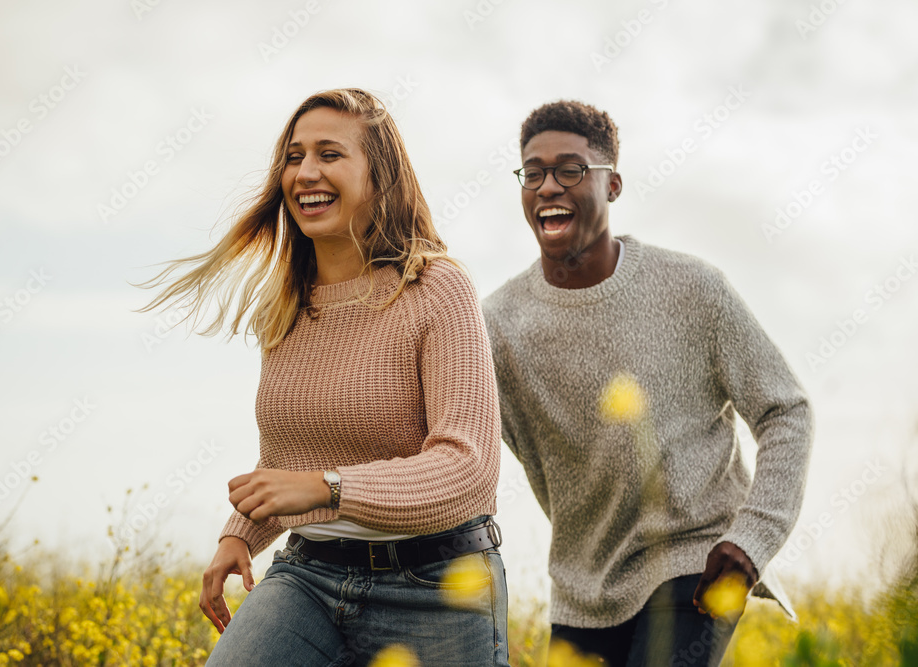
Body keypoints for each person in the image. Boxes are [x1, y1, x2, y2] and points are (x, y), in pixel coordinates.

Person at [141, 88, 508, 666]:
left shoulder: (436, 289)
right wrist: (240, 533)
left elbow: (467, 466)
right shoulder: (286, 307)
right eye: (293, 156)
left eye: (329, 154)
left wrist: (329, 487)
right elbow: (288, 459)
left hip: (438, 585)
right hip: (310, 573)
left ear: (380, 175)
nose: (305, 172)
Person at [482, 100, 813, 667]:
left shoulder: (693, 289)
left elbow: (787, 411)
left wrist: (752, 539)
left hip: (696, 560)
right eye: (532, 173)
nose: (547, 187)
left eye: (570, 170)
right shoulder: (496, 327)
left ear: (612, 185)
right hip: (582, 589)